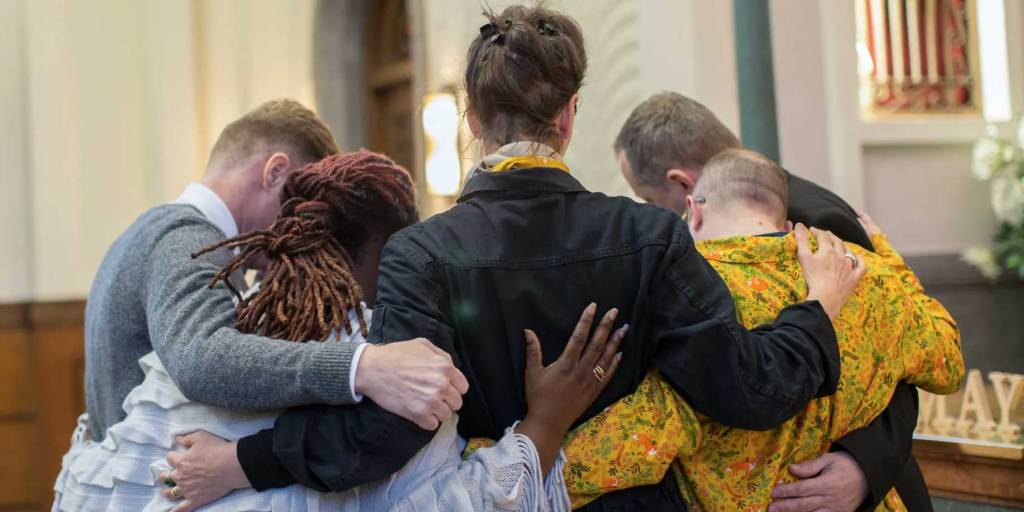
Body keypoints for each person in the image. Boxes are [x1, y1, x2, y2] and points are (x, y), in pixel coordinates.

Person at [166, 6, 864, 511]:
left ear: (471, 119)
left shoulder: (423, 252)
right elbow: (749, 391)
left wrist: (243, 463)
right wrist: (819, 308)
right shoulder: (649, 234)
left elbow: (381, 438)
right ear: (568, 117)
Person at [55, 150, 624, 511]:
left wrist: (239, 464)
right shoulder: (392, 362)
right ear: (388, 250)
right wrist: (544, 425)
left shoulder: (196, 353)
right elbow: (459, 504)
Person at [558, 149, 964, 511]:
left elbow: (640, 437)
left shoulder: (692, 293)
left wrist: (513, 466)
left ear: (693, 212)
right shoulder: (863, 274)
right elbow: (948, 360)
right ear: (786, 225)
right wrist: (886, 256)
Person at [83, 99, 466, 448]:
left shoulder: (155, 229)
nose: (299, 230)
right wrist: (361, 367)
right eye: (298, 205)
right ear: (275, 172)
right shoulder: (185, 238)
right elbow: (201, 359)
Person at [613, 91, 931, 511]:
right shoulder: (763, 206)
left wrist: (861, 468)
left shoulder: (813, 224)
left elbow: (894, 353)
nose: (663, 218)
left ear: (685, 187)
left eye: (652, 202)